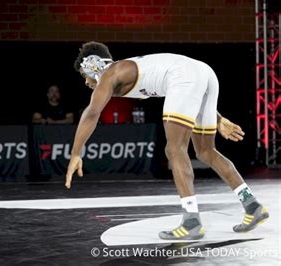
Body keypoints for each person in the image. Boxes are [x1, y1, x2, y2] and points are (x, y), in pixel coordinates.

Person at [65, 42, 269, 240]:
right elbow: (188, 84)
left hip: (186, 77)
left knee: (174, 150)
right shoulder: (125, 71)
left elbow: (92, 113)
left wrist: (75, 152)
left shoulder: (109, 74)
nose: (85, 82)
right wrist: (218, 118)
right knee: (206, 152)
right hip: (203, 74)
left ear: (93, 65)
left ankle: (192, 222)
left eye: (84, 76)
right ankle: (252, 205)